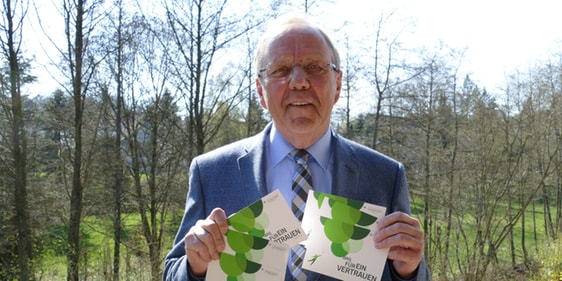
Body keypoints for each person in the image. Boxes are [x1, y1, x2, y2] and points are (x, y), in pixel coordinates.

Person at [163, 15, 431, 281]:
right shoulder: (211, 173)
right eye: (280, 70)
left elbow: (408, 271)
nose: (299, 81)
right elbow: (172, 273)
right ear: (260, 91)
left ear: (337, 84)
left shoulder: (385, 175)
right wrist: (194, 267)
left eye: (314, 67)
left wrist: (408, 272)